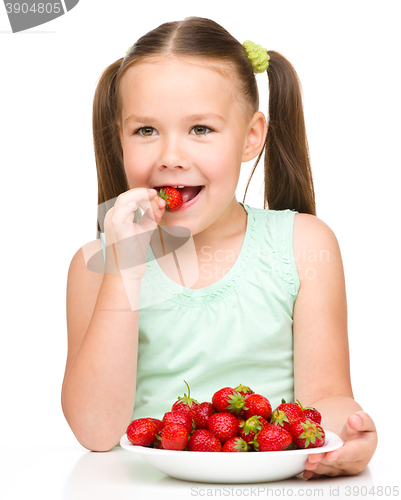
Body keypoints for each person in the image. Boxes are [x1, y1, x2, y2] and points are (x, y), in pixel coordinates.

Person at [61, 16, 377, 478]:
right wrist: (124, 266)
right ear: (120, 139)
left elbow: (325, 395)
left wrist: (347, 436)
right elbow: (95, 431)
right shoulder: (95, 267)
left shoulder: (305, 244)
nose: (171, 155)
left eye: (201, 129)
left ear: (250, 137)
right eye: (145, 130)